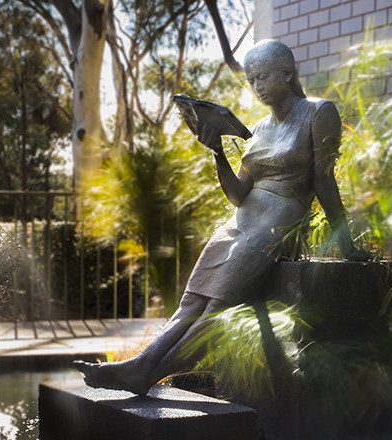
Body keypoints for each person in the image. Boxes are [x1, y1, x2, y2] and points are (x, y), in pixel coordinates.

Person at [74, 39, 371, 395]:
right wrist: (217, 151)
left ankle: (149, 373)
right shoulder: (259, 129)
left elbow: (324, 180)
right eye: (251, 80)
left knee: (217, 306)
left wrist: (347, 243)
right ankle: (140, 365)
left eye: (262, 76)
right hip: (242, 220)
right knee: (192, 300)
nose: (257, 86)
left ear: (288, 73)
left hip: (278, 220)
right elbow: (238, 194)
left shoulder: (318, 112)